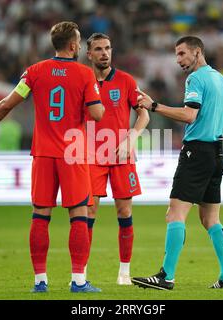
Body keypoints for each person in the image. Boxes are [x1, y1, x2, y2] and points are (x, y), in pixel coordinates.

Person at [0, 21, 105, 293]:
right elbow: (97, 114)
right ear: (73, 45)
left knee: (40, 215)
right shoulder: (85, 75)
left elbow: (6, 104)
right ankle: (79, 281)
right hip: (73, 154)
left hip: (44, 152)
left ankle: (40, 282)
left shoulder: (34, 72)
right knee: (79, 215)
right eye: (80, 40)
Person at [131, 36, 223, 290]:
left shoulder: (196, 79)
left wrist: (154, 105)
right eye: (176, 54)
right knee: (210, 219)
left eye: (182, 54)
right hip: (217, 153)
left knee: (175, 214)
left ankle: (166, 276)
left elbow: (190, 115)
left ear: (197, 52)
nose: (178, 60)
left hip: (196, 153)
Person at [85, 33, 149, 285]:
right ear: (89, 54)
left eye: (108, 48)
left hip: (122, 155)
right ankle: (82, 273)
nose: (104, 53)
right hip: (90, 156)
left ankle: (124, 272)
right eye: (99, 49)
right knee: (88, 212)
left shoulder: (125, 80)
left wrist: (132, 138)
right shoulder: (83, 80)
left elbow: (144, 115)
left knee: (124, 212)